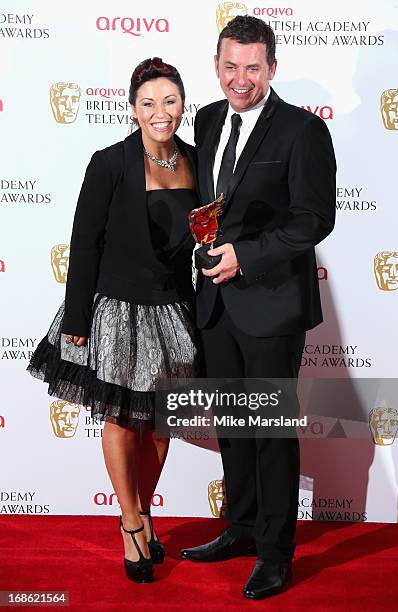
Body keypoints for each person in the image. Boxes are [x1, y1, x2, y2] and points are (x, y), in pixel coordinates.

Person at [181, 16, 336, 600]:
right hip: (215, 305)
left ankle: (275, 551)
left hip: (271, 304)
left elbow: (313, 219)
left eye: (252, 66)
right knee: (233, 426)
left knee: (270, 430)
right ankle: (241, 528)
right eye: (230, 66)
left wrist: (245, 257)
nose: (239, 78)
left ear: (272, 67)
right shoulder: (207, 118)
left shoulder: (301, 131)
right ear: (216, 66)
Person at [28, 57, 200, 584]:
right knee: (122, 419)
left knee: (159, 425)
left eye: (169, 100)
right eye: (148, 102)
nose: (160, 111)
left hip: (173, 308)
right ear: (132, 109)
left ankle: (145, 510)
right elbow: (84, 244)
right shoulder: (109, 162)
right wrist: (78, 316)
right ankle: (129, 525)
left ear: (182, 105)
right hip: (117, 308)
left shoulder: (198, 160)